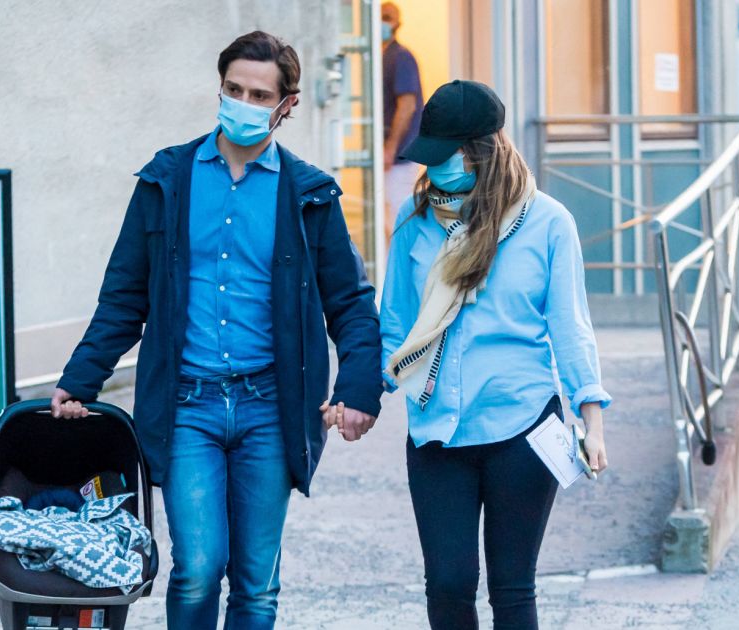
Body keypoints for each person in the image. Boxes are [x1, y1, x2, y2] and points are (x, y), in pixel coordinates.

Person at [50, 31, 383, 630]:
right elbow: (125, 295)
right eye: (234, 89)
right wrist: (81, 379)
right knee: (199, 566)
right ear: (220, 89)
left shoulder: (308, 195)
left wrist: (360, 387)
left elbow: (352, 304)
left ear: (287, 105)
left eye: (260, 95)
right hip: (188, 406)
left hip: (270, 408)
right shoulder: (166, 180)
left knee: (256, 583)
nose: (243, 103)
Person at [380, 80, 611, 629]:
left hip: (522, 427)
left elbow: (570, 326)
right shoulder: (414, 227)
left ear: (479, 152)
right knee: (449, 585)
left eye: (445, 158)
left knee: (512, 590)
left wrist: (592, 419)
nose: (434, 171)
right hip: (437, 430)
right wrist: (360, 398)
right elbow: (393, 327)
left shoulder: (547, 222)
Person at [381, 1, 424, 239]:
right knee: (388, 221)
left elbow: (407, 106)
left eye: (387, 17)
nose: (382, 22)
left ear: (398, 23)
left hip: (399, 157)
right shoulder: (383, 57)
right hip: (391, 156)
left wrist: (390, 148)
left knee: (400, 219)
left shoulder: (401, 57)